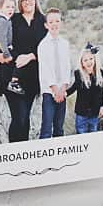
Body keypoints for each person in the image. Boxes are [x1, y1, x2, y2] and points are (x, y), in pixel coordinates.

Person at [0, 0, 46, 142]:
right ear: (20, 3)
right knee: (19, 116)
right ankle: (14, 150)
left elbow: (49, 46)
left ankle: (24, 150)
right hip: (11, 75)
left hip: (32, 78)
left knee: (25, 118)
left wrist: (31, 56)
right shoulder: (13, 19)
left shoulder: (43, 20)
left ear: (35, 0)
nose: (28, 2)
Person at [37, 8, 73, 139]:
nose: (54, 24)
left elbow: (67, 67)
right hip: (49, 91)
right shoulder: (43, 45)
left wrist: (63, 87)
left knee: (59, 127)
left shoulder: (65, 44)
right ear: (46, 25)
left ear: (61, 23)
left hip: (62, 91)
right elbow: (46, 70)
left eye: (57, 21)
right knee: (47, 127)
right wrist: (55, 89)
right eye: (51, 22)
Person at [0, 0, 24, 96]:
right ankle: (14, 82)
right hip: (3, 48)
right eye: (7, 7)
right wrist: (6, 53)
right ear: (1, 8)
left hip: (2, 48)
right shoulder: (2, 21)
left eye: (13, 7)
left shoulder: (4, 19)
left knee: (2, 66)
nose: (11, 9)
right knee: (19, 58)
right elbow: (1, 39)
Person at [67, 43, 103, 134]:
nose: (89, 62)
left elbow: (101, 92)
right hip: (81, 114)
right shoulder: (79, 74)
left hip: (94, 114)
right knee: (81, 135)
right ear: (82, 63)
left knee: (93, 134)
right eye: (85, 60)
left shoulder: (100, 74)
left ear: (95, 59)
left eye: (91, 59)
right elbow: (74, 87)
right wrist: (65, 93)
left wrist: (101, 106)